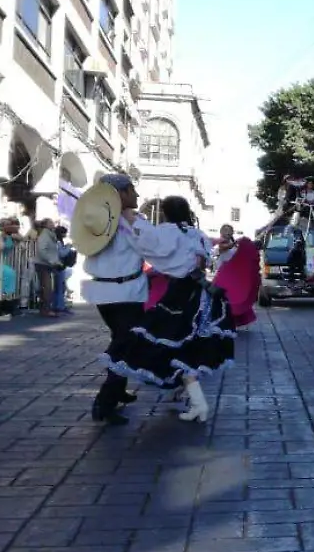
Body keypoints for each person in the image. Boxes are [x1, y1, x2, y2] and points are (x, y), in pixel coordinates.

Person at [101, 195, 235, 423]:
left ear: (166, 213)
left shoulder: (167, 232)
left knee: (168, 347)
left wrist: (127, 214)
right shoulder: (197, 234)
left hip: (179, 297)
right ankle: (196, 403)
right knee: (185, 351)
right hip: (201, 295)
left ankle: (198, 404)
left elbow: (146, 241)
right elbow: (202, 261)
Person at [74, 175, 147, 426]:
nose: (137, 195)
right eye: (132, 190)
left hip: (106, 292)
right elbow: (151, 247)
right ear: (122, 193)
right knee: (125, 344)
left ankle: (118, 389)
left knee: (122, 339)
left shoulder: (98, 219)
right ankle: (105, 401)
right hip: (125, 292)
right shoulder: (129, 222)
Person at [214, 236, 261, 329]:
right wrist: (235, 242)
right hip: (223, 278)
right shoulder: (222, 249)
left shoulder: (235, 250)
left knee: (232, 301)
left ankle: (231, 321)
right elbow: (222, 248)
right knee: (227, 301)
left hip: (229, 279)